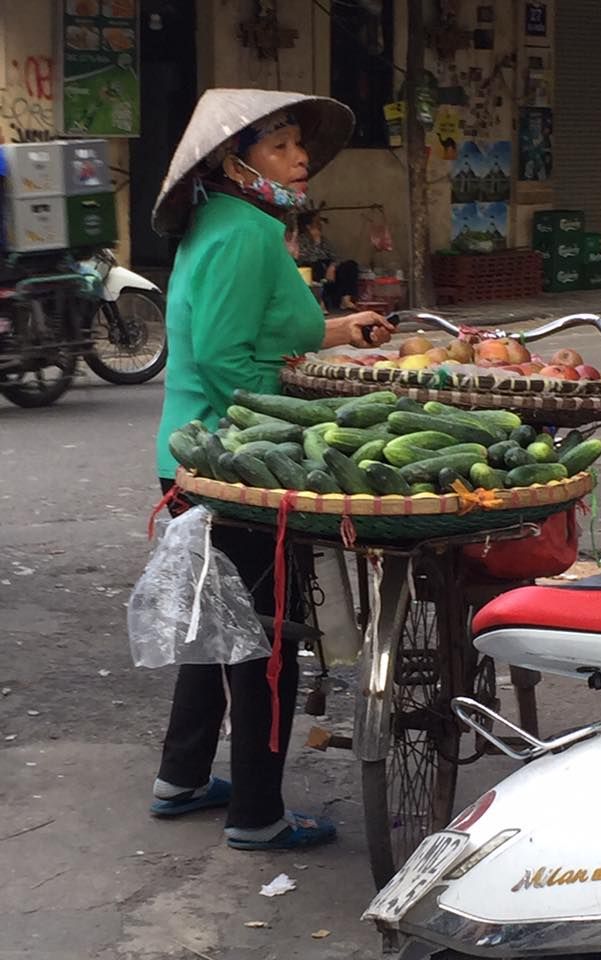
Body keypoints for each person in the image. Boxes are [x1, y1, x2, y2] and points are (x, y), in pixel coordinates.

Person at [150, 89, 394, 851]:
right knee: (265, 639)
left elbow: (256, 332)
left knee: (214, 624)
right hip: (235, 461)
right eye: (282, 145)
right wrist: (311, 421)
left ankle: (181, 777)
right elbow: (228, 361)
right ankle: (257, 814)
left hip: (198, 454)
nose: (300, 159)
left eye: (299, 146)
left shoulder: (230, 225)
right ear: (236, 160)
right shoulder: (246, 233)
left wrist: (335, 327)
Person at [296, 208, 359, 312]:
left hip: (329, 271)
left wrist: (333, 266)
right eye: (316, 222)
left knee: (350, 265)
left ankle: (346, 300)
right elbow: (304, 258)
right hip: (313, 271)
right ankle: (320, 303)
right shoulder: (301, 240)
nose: (320, 225)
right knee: (315, 265)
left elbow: (336, 256)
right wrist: (316, 243)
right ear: (308, 226)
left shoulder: (324, 240)